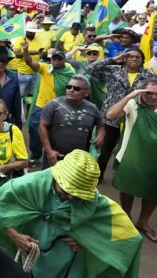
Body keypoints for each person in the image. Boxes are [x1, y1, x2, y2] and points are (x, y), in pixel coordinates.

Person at [0, 149, 142, 277]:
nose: (71, 197)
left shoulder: (94, 201)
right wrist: (14, 235)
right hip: (31, 253)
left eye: (78, 195)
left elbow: (129, 237)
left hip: (69, 260)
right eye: (66, 191)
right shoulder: (30, 185)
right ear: (56, 177)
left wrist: (88, 241)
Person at [86, 48, 154, 181]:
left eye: (137, 57)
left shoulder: (148, 75)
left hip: (135, 116)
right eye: (130, 56)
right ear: (125, 58)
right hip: (112, 115)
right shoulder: (113, 70)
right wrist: (114, 59)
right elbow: (90, 68)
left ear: (142, 60)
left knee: (131, 147)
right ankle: (97, 176)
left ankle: (127, 177)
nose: (134, 59)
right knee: (106, 147)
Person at [106, 77, 157, 243]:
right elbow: (110, 115)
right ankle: (126, 218)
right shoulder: (133, 104)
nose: (154, 97)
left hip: (154, 158)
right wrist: (130, 96)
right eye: (149, 93)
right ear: (141, 91)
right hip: (131, 156)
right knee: (127, 188)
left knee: (153, 192)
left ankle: (143, 222)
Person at [22, 41, 76, 167]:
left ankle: (52, 155)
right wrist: (25, 50)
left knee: (55, 132)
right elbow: (29, 62)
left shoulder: (70, 72)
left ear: (64, 60)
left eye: (59, 59)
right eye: (54, 59)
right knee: (34, 129)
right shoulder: (45, 68)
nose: (56, 61)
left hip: (59, 107)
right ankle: (35, 155)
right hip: (41, 106)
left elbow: (73, 89)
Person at [39, 75, 105, 168]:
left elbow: (100, 125)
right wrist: (49, 151)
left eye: (76, 88)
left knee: (73, 181)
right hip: (55, 156)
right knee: (52, 181)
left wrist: (100, 135)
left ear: (86, 93)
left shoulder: (92, 108)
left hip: (78, 159)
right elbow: (42, 126)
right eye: (69, 87)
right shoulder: (54, 104)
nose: (71, 90)